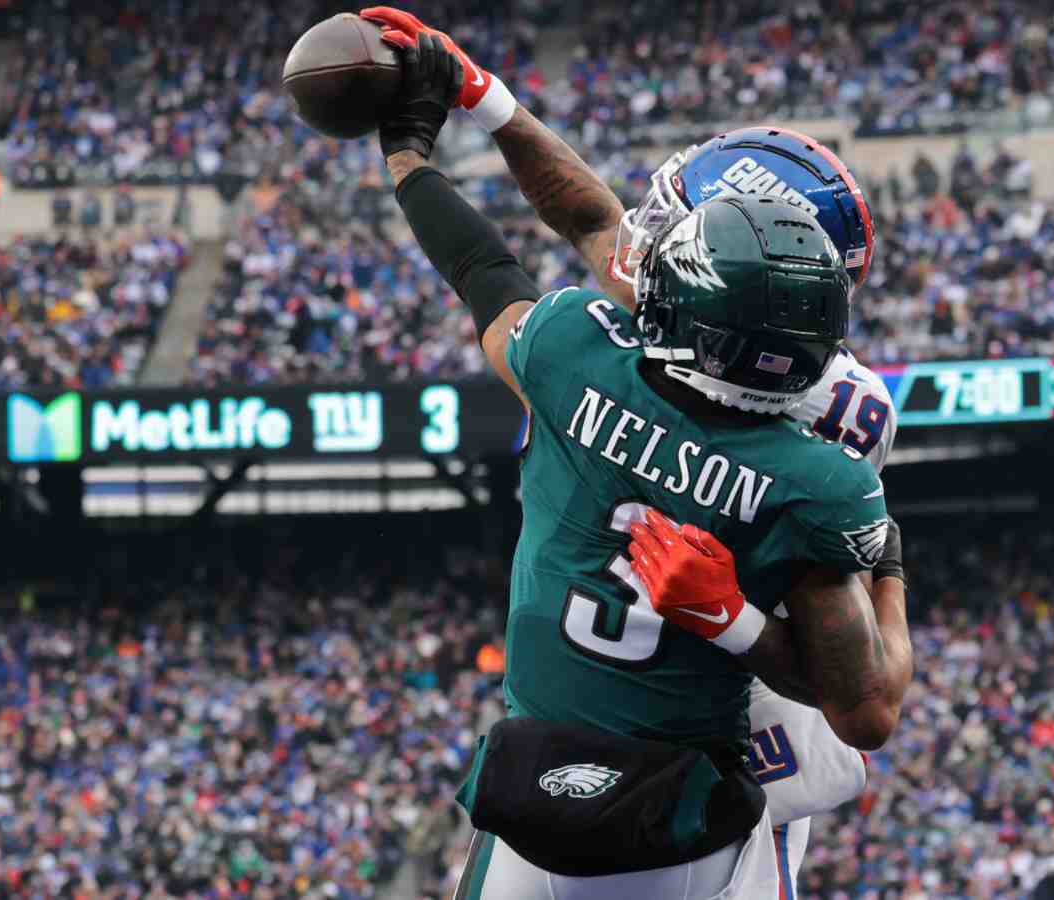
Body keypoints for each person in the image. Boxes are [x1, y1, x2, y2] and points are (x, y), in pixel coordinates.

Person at [362, 12, 910, 896]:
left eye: (685, 225)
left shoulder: (595, 352)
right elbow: (591, 216)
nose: (646, 239)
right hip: (680, 752)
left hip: (745, 756)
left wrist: (411, 156)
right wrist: (483, 97)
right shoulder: (803, 381)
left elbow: (859, 698)